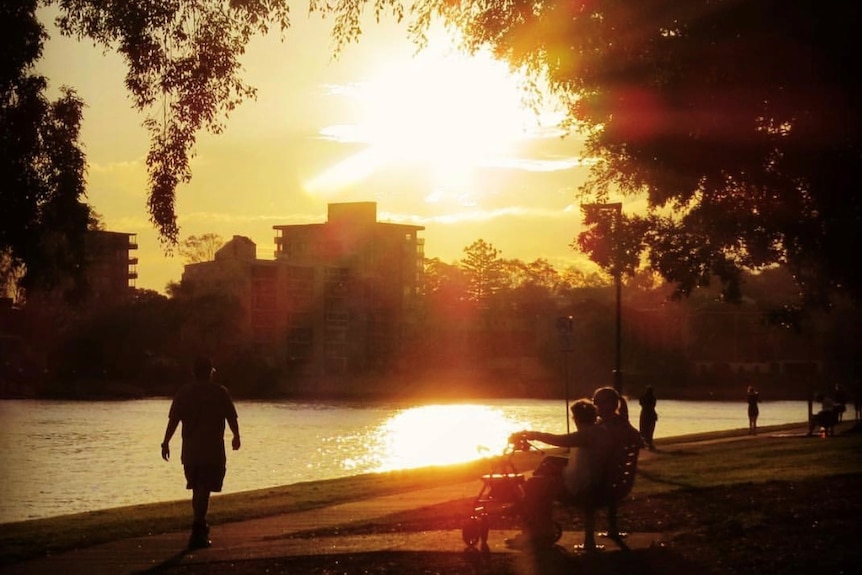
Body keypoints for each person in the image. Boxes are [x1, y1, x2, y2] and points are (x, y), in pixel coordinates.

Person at [508, 387, 642, 552]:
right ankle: (537, 523)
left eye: (598, 402)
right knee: (546, 468)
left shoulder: (595, 432)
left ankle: (536, 528)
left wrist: (532, 434)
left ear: (611, 404)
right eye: (594, 403)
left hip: (593, 487)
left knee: (536, 485)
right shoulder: (606, 428)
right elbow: (592, 457)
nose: (596, 405)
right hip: (607, 481)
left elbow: (560, 440)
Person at [162, 356, 241, 549]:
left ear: (193, 372)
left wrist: (166, 442)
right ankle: (198, 527)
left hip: (190, 450)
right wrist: (236, 436)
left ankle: (199, 525)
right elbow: (231, 417)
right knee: (204, 488)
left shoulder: (184, 393)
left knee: (197, 488)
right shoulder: (220, 392)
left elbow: (174, 420)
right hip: (212, 449)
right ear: (210, 372)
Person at [638, 385, 658, 450]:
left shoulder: (643, 398)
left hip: (645, 414)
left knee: (644, 428)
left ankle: (645, 442)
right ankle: (648, 443)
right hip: (650, 414)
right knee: (649, 429)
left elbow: (641, 403)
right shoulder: (653, 398)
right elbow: (653, 405)